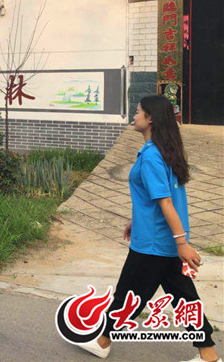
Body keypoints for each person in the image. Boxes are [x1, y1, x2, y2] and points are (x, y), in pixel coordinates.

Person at [77, 95, 220, 362]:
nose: (134, 115)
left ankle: (102, 341)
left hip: (154, 243)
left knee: (128, 296)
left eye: (138, 112)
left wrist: (182, 244)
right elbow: (155, 199)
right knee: (184, 298)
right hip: (159, 237)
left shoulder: (153, 156)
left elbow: (165, 202)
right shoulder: (164, 152)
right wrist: (137, 221)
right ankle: (208, 354)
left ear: (150, 118)